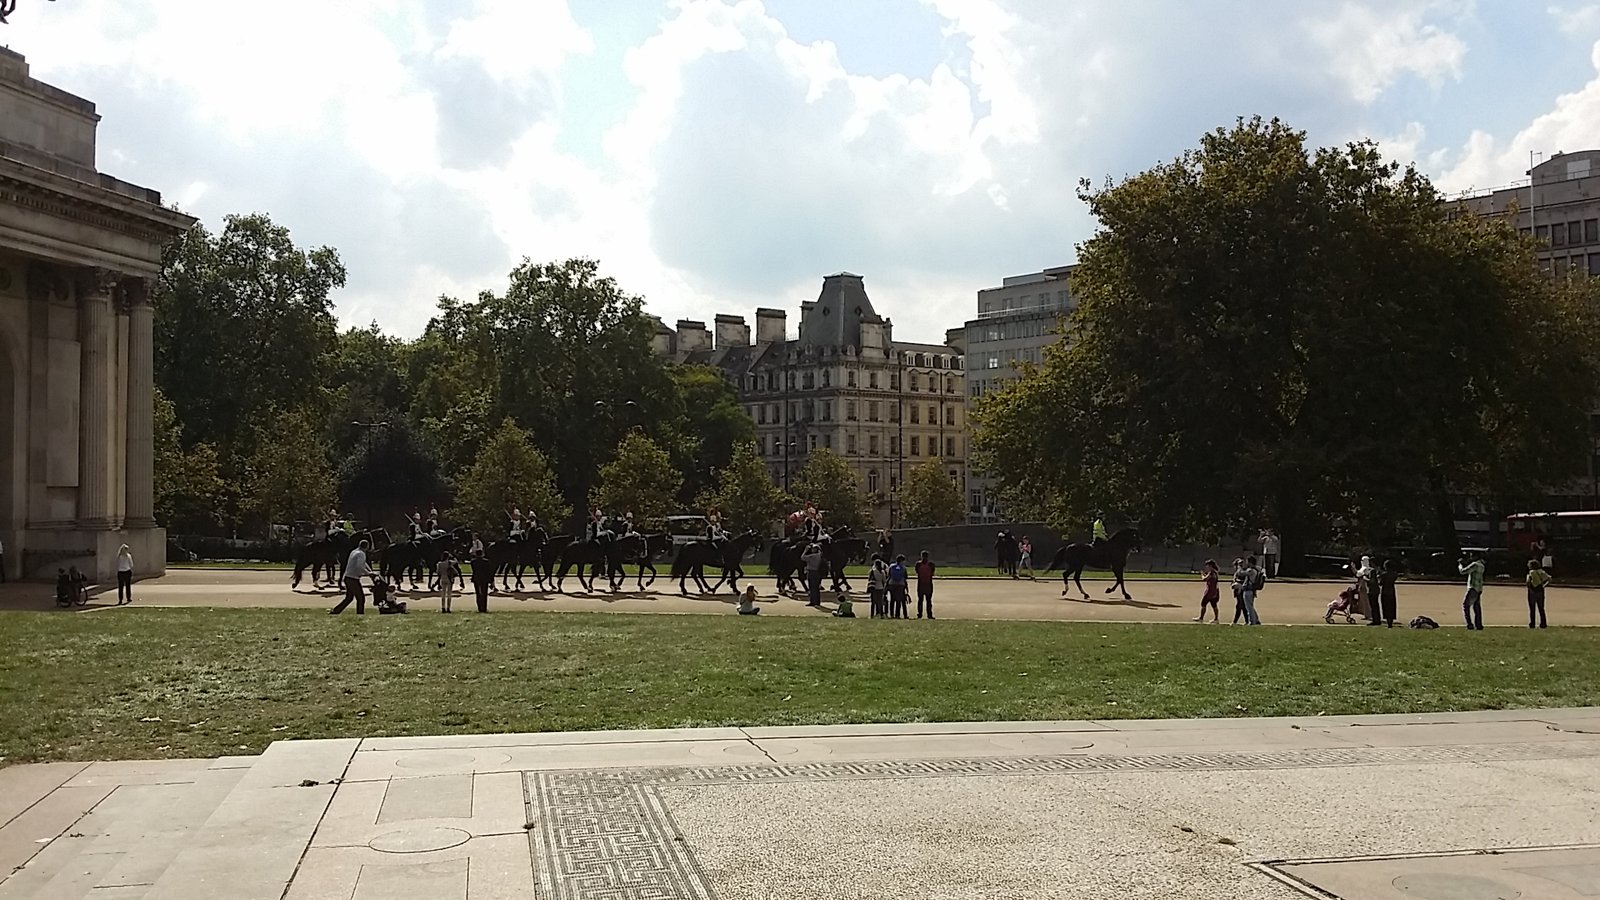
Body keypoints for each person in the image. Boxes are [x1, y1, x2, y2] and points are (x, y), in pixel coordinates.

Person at [331, 539, 373, 615]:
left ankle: (336, 611)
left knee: (349, 598)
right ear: (367, 547)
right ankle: (360, 614)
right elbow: (359, 566)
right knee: (360, 598)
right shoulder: (361, 554)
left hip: (347, 577)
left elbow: (364, 563)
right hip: (353, 579)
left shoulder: (354, 551)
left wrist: (370, 571)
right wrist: (368, 573)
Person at [1459, 550, 1485, 631]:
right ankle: (1479, 625)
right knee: (1477, 607)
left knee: (1466, 605)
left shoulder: (1475, 564)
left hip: (1473, 588)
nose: (1470, 557)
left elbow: (1463, 571)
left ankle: (1469, 624)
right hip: (1479, 588)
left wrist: (1460, 565)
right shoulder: (1481, 565)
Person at [1237, 555, 1263, 625]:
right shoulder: (1256, 569)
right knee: (1250, 606)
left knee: (1248, 607)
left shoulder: (1251, 570)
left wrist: (1239, 567)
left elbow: (1241, 573)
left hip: (1248, 590)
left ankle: (1252, 621)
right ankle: (1256, 620)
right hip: (1251, 590)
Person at [1527, 558, 1552, 629]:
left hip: (1532, 591)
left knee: (1532, 608)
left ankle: (1532, 624)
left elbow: (1528, 581)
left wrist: (1529, 587)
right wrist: (1544, 585)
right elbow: (1549, 579)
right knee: (1541, 608)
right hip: (1540, 590)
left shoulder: (1531, 572)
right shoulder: (1541, 572)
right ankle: (1543, 623)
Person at [914, 550, 936, 619]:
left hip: (921, 584)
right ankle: (929, 614)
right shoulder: (931, 564)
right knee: (928, 600)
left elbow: (917, 572)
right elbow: (932, 573)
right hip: (928, 584)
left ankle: (920, 614)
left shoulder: (918, 564)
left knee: (921, 600)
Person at [1196, 559, 1220, 623]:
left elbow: (1205, 579)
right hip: (1214, 591)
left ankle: (1201, 618)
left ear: (1210, 566)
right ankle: (1216, 619)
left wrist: (1202, 575)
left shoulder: (1211, 572)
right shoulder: (1215, 572)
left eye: (1207, 566)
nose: (1206, 567)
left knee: (1203, 603)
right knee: (1214, 605)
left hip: (1210, 591)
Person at [802, 542, 825, 607]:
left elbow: (802, 557)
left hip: (812, 572)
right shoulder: (819, 555)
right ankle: (817, 601)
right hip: (818, 572)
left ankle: (813, 601)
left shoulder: (812, 556)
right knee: (816, 588)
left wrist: (805, 550)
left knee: (812, 587)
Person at [867, 554, 889, 618]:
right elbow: (884, 580)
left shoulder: (873, 571)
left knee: (873, 602)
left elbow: (869, 579)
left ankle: (872, 615)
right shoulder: (882, 571)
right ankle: (882, 614)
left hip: (874, 587)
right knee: (880, 602)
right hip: (880, 587)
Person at [888, 554, 910, 619]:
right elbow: (905, 577)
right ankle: (897, 614)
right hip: (900, 585)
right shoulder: (903, 568)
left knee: (892, 599)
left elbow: (889, 575)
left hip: (892, 584)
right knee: (898, 600)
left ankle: (891, 614)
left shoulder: (891, 566)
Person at [1378, 559, 1399, 627]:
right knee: (1391, 607)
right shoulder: (1394, 574)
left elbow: (1380, 583)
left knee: (1386, 607)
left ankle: (1388, 622)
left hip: (1385, 592)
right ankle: (1391, 622)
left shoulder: (1384, 575)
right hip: (1391, 591)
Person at [1230, 558, 1248, 625]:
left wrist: (1239, 585)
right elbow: (1234, 581)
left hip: (1241, 592)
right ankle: (1247, 621)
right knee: (1243, 607)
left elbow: (1244, 581)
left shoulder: (1242, 573)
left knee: (1239, 606)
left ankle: (1235, 621)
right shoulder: (1237, 573)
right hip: (1238, 592)